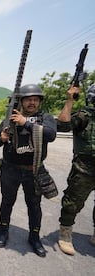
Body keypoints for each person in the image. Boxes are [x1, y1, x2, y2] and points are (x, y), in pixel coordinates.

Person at [0, 84, 57, 257]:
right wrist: (3, 138)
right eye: (28, 99)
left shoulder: (45, 118)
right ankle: (3, 231)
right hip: (10, 170)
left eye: (35, 100)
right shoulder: (9, 119)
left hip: (33, 170)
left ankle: (34, 237)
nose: (32, 103)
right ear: (21, 101)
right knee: (7, 202)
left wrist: (25, 123)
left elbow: (50, 135)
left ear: (40, 102)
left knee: (34, 206)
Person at [57, 84, 95, 255]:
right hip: (84, 170)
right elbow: (63, 126)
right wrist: (70, 100)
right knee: (72, 203)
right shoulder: (84, 116)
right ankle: (65, 233)